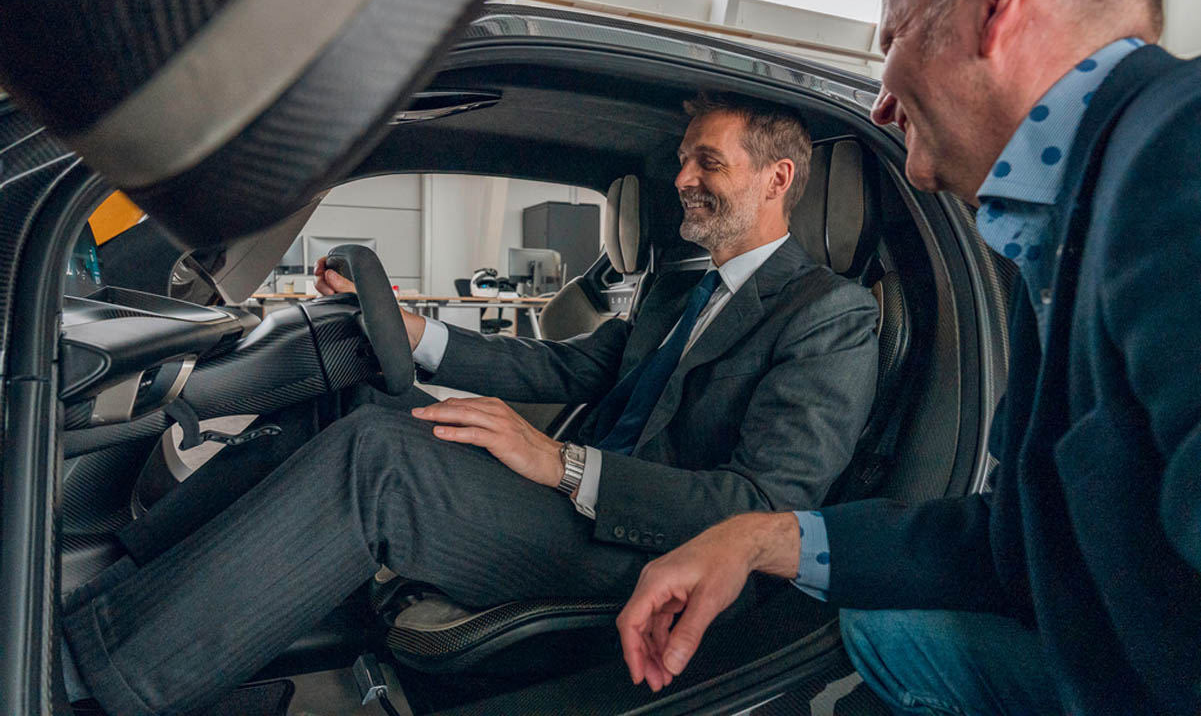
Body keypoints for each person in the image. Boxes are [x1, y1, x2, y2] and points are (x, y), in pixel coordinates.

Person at [61, 93, 880, 715]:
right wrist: (414, 333)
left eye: (706, 162)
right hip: (572, 509)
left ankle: (96, 680)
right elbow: (562, 367)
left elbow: (764, 505)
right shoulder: (677, 296)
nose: (681, 179)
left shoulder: (827, 315)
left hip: (651, 553)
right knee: (346, 406)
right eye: (682, 160)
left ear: (776, 179)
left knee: (379, 460)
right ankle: (108, 587)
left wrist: (563, 465)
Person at [615, 0, 1201, 714]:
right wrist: (757, 538)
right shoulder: (1063, 233)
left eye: (891, 39)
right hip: (1110, 651)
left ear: (994, 2)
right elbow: (1018, 541)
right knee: (879, 633)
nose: (882, 103)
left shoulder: (1178, 150)